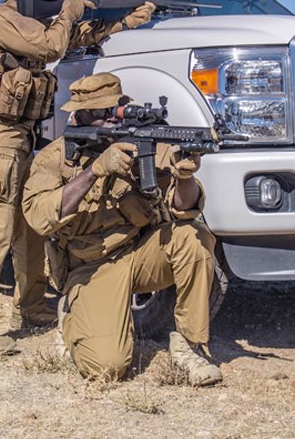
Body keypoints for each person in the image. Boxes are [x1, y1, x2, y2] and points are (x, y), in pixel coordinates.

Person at [0, 0, 156, 355]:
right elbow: (51, 46)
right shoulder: (2, 21)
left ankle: (30, 308)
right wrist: (70, 9)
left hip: (20, 138)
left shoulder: (29, 23)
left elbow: (73, 37)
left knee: (30, 226)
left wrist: (123, 22)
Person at [21, 72, 222, 386]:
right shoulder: (56, 157)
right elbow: (38, 216)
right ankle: (72, 314)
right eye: (99, 114)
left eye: (113, 111)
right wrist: (94, 170)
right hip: (90, 266)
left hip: (140, 253)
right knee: (107, 367)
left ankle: (189, 347)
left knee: (194, 238)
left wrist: (185, 177)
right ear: (79, 116)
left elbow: (184, 209)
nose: (110, 120)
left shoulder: (144, 144)